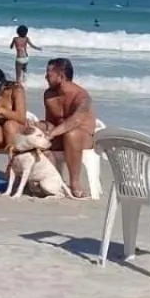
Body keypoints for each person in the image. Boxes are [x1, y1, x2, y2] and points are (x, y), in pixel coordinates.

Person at [41, 58, 96, 198]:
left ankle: (75, 183)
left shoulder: (81, 96)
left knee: (71, 134)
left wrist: (52, 132)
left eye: (49, 74)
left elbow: (75, 121)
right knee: (37, 134)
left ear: (61, 76)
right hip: (60, 134)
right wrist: (43, 128)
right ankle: (48, 181)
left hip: (83, 137)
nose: (46, 76)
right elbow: (51, 121)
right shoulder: (49, 95)